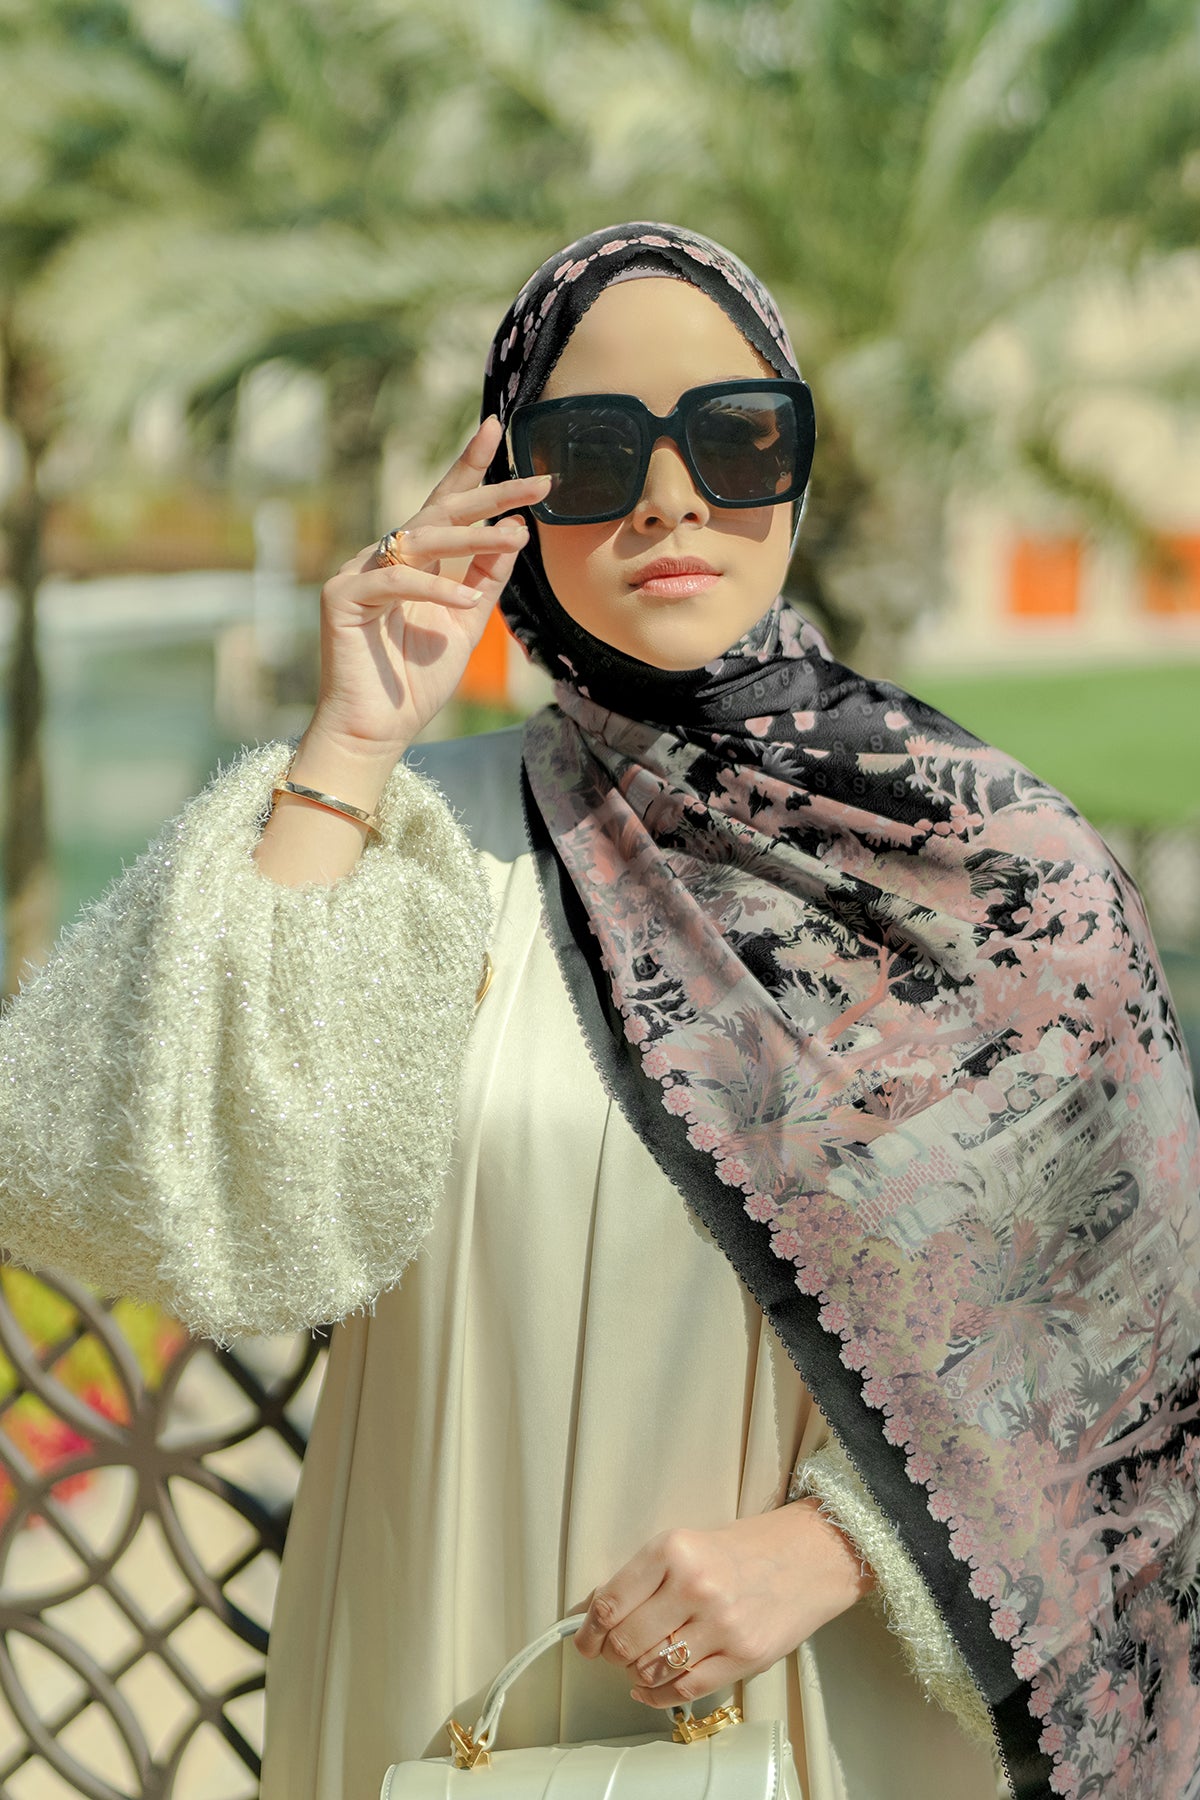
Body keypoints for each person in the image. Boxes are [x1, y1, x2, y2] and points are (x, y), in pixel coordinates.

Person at [1, 224, 1198, 1800]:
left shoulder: (995, 870)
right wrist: (349, 741)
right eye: (591, 451)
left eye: (737, 436)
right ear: (505, 487)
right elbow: (179, 1206)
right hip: (439, 1670)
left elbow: (1142, 1339)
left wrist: (845, 1542)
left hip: (829, 1702)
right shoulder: (413, 839)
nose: (670, 498)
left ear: (799, 468)